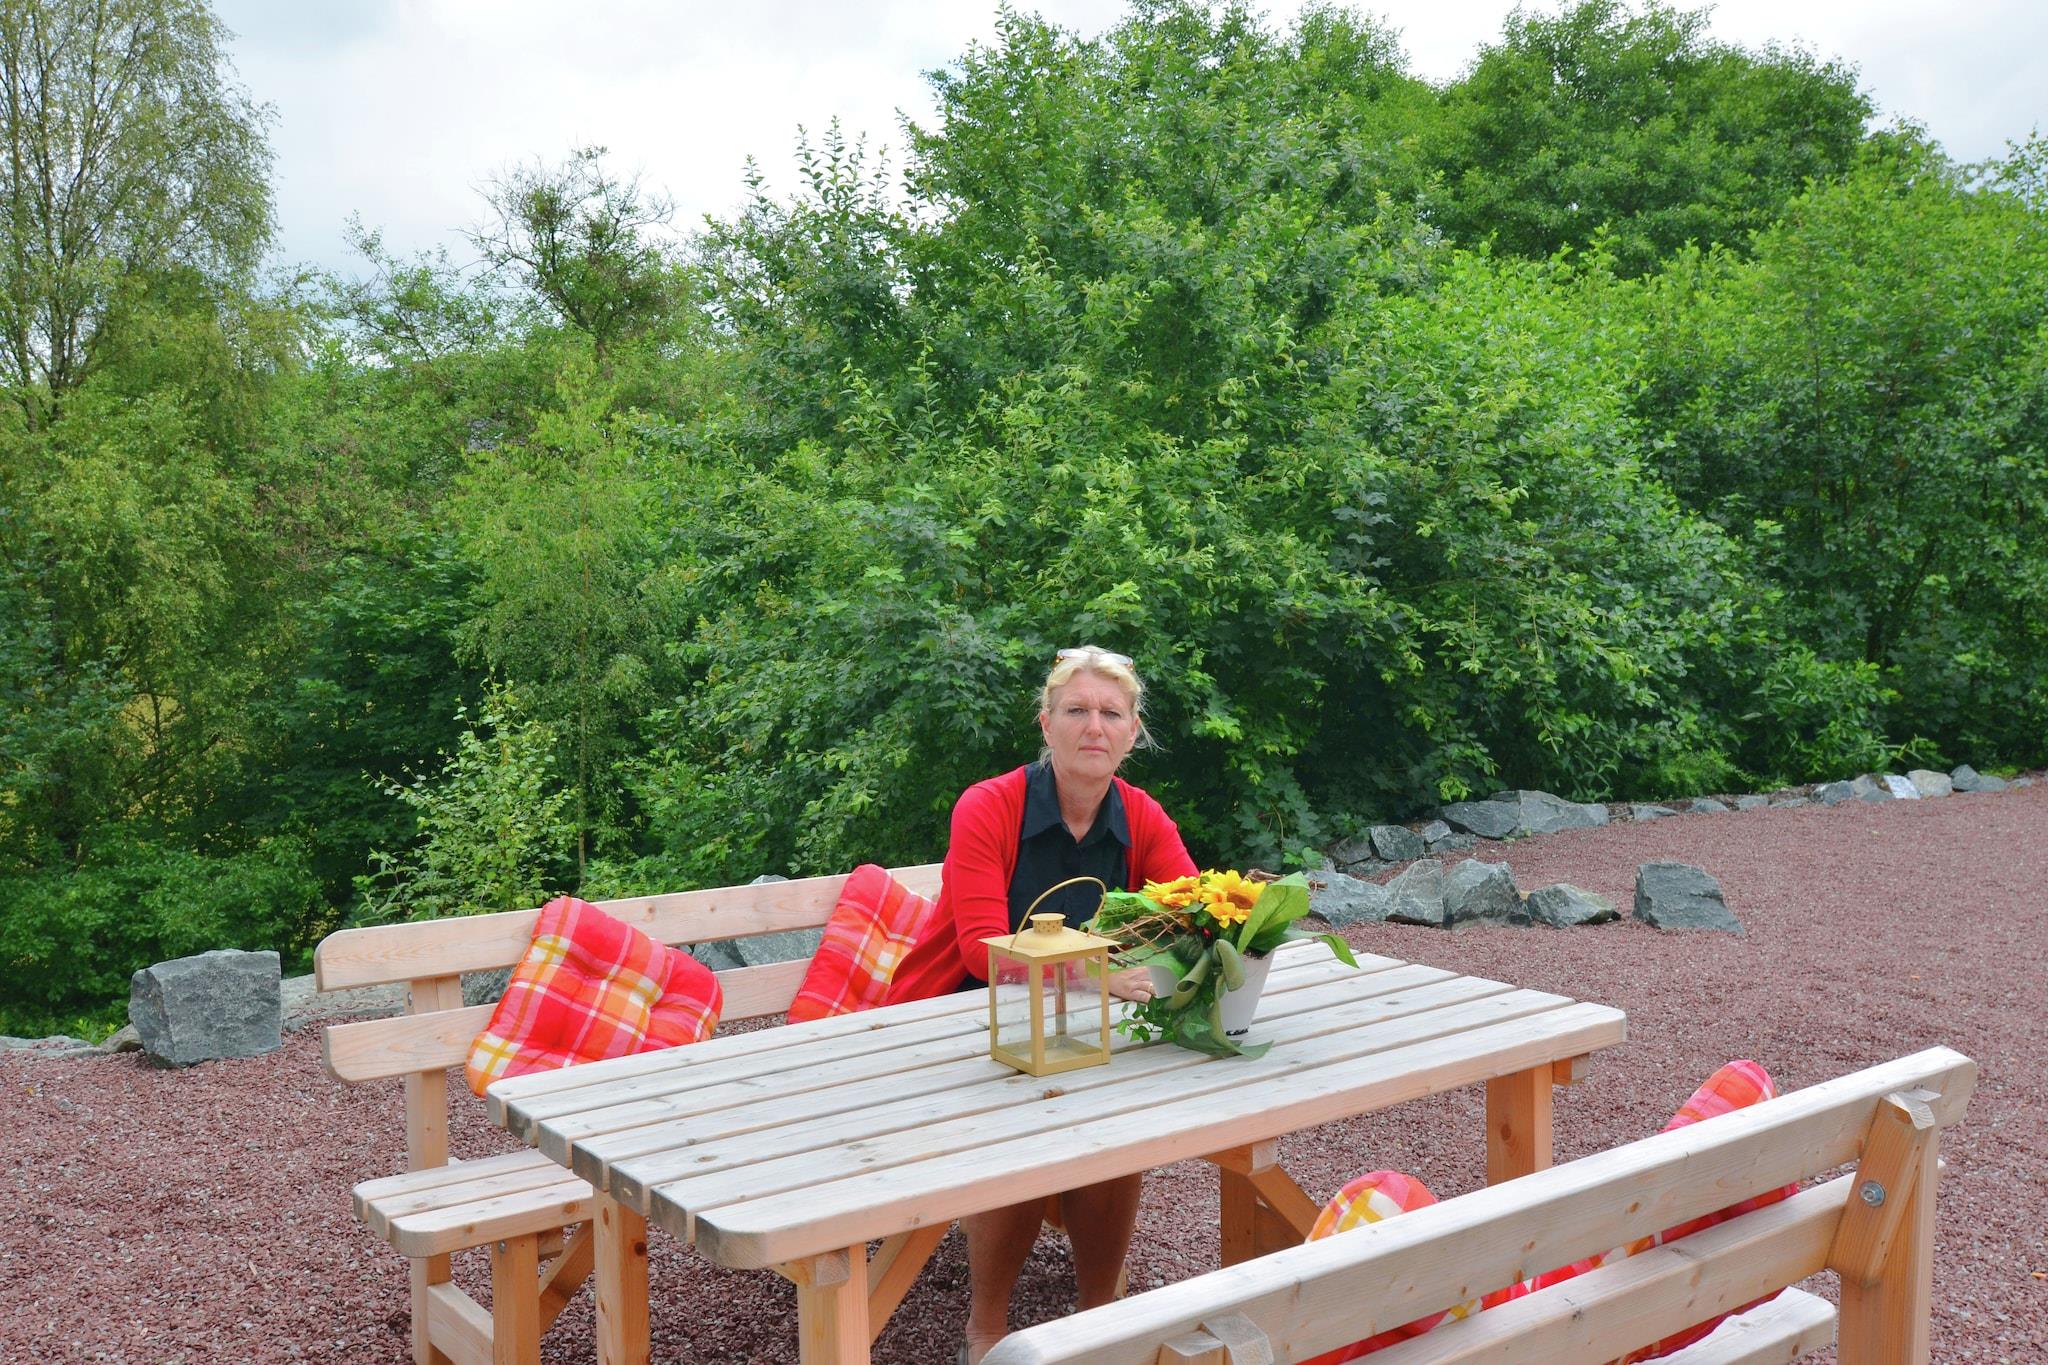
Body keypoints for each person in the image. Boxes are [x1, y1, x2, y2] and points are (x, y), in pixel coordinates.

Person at [895, 645, 1197, 1364]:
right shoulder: (989, 805)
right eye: (1076, 710)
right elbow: (982, 952)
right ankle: (987, 1334)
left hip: (1077, 1021)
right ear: (1046, 723)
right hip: (952, 1017)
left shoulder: (1141, 815)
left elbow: (1193, 918)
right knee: (1024, 1129)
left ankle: (1099, 1322)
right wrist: (1103, 977)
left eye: (1111, 714)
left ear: (1132, 732)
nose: (1094, 726)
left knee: (1118, 1126)